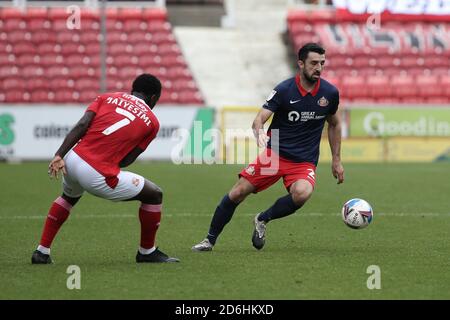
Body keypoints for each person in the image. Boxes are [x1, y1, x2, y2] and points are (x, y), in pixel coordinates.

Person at [192, 43, 344, 252]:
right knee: (237, 193)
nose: (318, 68)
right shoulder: (283, 90)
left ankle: (262, 219)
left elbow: (334, 123)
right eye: (314, 63)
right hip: (275, 155)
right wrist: (260, 133)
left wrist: (336, 160)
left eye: (322, 63)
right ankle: (209, 240)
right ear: (301, 63)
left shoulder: (329, 93)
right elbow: (259, 119)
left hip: (303, 161)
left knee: (302, 193)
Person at [32, 74, 179, 264]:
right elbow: (126, 160)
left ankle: (41, 252)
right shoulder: (152, 122)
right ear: (153, 98)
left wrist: (59, 154)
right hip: (96, 171)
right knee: (154, 194)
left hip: (72, 159)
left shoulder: (107, 97)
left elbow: (83, 125)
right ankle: (147, 252)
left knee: (68, 198)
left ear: (132, 90)